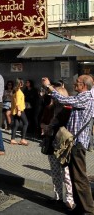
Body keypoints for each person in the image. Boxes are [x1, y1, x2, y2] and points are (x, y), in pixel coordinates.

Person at [42, 75, 94, 215]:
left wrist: (49, 87)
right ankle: (79, 206)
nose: (74, 84)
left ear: (83, 85)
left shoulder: (85, 96)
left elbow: (64, 99)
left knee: (80, 178)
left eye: (77, 82)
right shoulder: (85, 96)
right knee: (73, 175)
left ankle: (88, 210)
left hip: (77, 144)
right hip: (74, 143)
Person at [40, 83, 75, 210]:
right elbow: (42, 122)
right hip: (51, 142)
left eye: (57, 96)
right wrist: (45, 127)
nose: (54, 99)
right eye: (54, 97)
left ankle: (70, 199)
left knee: (66, 173)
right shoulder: (49, 108)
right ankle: (58, 197)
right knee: (55, 172)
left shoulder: (69, 110)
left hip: (64, 145)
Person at [10, 79, 29, 146]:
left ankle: (12, 139)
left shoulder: (14, 91)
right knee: (26, 123)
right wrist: (19, 110)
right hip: (19, 110)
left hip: (15, 110)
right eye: (22, 83)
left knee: (16, 124)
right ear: (20, 84)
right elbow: (17, 102)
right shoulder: (18, 92)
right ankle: (23, 139)